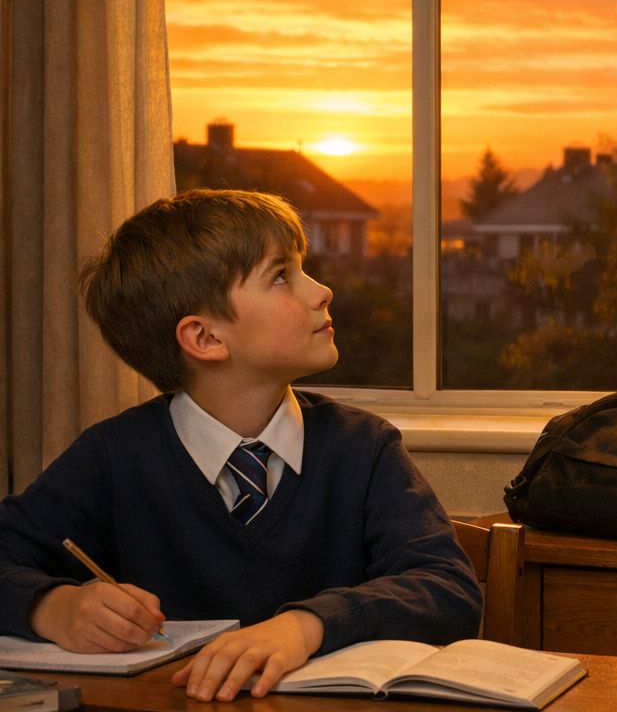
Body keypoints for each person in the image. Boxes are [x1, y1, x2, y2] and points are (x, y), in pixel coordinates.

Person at [0, 189, 482, 702]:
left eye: (304, 269)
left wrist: (305, 626)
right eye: (281, 276)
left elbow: (448, 588)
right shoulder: (113, 457)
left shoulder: (363, 449)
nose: (322, 291)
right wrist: (51, 607)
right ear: (205, 339)